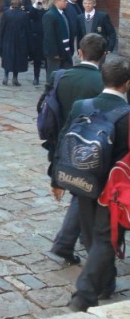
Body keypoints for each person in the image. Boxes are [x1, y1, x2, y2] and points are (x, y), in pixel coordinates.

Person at [61, 57, 130, 312]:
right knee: (105, 239)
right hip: (113, 190)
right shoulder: (127, 115)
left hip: (83, 181)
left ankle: (106, 283)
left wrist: (58, 179)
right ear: (127, 84)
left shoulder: (81, 106)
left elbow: (64, 139)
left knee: (93, 236)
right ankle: (84, 295)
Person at [43, 33, 107, 267]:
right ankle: (76, 245)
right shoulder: (103, 83)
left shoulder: (60, 77)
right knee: (87, 193)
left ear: (79, 52)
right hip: (91, 148)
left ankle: (68, 241)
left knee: (82, 193)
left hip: (63, 144)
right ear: (104, 56)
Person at [0, 0, 30, 86]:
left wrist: (1, 40)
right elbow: (28, 29)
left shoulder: (6, 14)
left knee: (7, 58)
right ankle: (15, 78)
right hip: (20, 40)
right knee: (17, 59)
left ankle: (6, 75)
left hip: (8, 39)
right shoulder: (24, 15)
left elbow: (2, 28)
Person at [43, 0, 73, 79]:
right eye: (64, 1)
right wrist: (54, 53)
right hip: (55, 53)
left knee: (65, 75)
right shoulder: (50, 15)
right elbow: (49, 36)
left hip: (65, 50)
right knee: (54, 75)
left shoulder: (63, 13)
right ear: (57, 1)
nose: (66, 3)